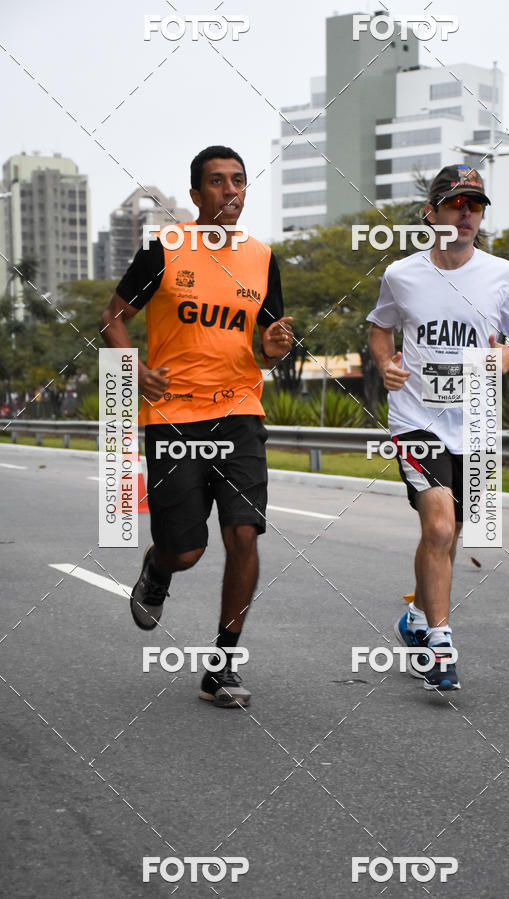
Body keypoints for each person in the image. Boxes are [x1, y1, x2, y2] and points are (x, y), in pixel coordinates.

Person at [100, 145, 292, 708]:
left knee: (243, 534)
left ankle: (223, 666)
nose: (230, 191)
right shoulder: (165, 250)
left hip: (239, 412)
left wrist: (276, 349)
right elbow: (113, 317)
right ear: (196, 194)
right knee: (186, 552)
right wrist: (133, 372)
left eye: (238, 181)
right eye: (217, 182)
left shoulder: (261, 257)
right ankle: (157, 569)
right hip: (174, 418)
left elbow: (269, 341)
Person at [367, 164, 509, 691]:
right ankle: (439, 644)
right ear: (433, 212)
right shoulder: (403, 274)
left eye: (475, 206)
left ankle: (416, 618)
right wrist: (384, 364)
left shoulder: (503, 275)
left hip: (476, 425)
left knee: (450, 533)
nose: (466, 214)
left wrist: (508, 356)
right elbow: (379, 329)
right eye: (456, 204)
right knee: (440, 526)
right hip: (416, 420)